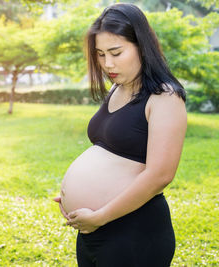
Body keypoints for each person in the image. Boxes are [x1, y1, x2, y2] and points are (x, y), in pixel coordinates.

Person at [53, 3, 187, 267]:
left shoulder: (164, 97)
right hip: (93, 231)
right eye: (100, 54)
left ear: (142, 46)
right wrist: (74, 196)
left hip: (134, 232)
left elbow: (161, 175)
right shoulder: (118, 88)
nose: (107, 63)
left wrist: (100, 215)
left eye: (116, 52)